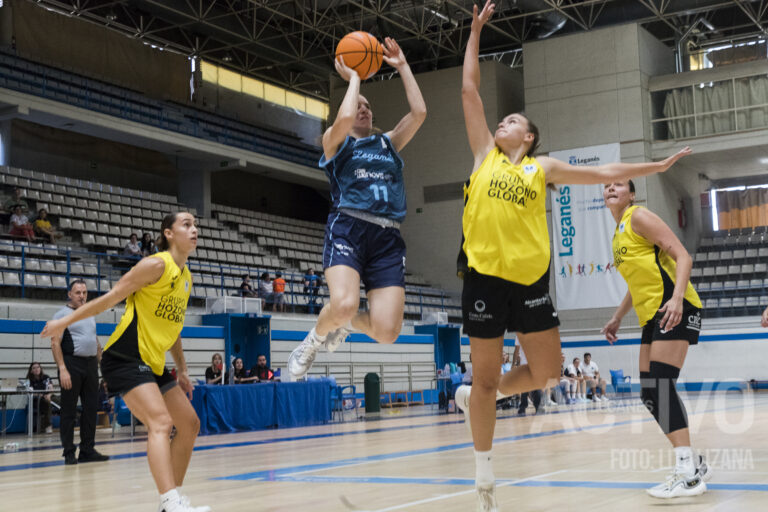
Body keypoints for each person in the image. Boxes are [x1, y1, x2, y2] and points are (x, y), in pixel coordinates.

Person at [452, 3, 692, 509]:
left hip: (532, 284)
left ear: (530, 136)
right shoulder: (483, 156)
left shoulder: (543, 169)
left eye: (513, 119)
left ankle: (485, 399)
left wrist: (658, 163)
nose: (503, 121)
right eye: (503, 118)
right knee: (486, 375)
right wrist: (475, 32)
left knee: (546, 373)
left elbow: (608, 171)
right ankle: (484, 481)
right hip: (484, 281)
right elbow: (470, 90)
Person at [41, 212, 210, 512]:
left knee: (190, 424)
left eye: (195, 225)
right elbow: (111, 298)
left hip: (153, 362)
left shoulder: (186, 278)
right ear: (168, 233)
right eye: (186, 225)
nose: (194, 229)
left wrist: (182, 369)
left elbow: (172, 329)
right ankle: (170, 502)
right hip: (125, 357)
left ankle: (173, 498)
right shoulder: (156, 265)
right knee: (160, 422)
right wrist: (64, 321)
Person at [287, 36, 426, 379]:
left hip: (387, 237)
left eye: (368, 106)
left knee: (387, 331)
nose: (363, 109)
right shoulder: (335, 142)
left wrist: (404, 66)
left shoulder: (388, 143)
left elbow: (420, 113)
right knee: (345, 301)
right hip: (349, 226)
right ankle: (313, 341)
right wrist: (354, 79)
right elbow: (345, 117)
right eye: (358, 105)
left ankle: (346, 325)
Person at [601, 179, 709, 498]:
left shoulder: (638, 217)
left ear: (632, 194)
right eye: (606, 185)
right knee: (650, 394)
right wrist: (618, 316)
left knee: (661, 384)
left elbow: (683, 257)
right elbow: (639, 282)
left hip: (676, 306)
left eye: (618, 185)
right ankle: (694, 464)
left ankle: (687, 473)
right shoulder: (619, 231)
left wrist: (676, 299)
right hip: (651, 315)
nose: (610, 188)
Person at [48, 280, 108, 464]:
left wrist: (104, 367)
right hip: (71, 365)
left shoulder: (89, 312)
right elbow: (55, 343)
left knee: (90, 409)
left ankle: (87, 450)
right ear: (70, 294)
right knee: (69, 410)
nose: (82, 296)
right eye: (78, 292)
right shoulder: (61, 315)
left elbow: (94, 341)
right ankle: (68, 452)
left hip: (90, 366)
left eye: (84, 292)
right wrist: (62, 369)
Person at [26, 362, 54, 434]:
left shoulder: (46, 377)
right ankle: (48, 426)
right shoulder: (29, 380)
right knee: (46, 402)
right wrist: (40, 395)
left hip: (49, 397)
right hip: (37, 400)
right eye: (34, 368)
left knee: (64, 401)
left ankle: (76, 416)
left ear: (40, 368)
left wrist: (49, 395)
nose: (36, 369)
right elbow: (30, 392)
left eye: (38, 367)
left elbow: (51, 388)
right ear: (31, 371)